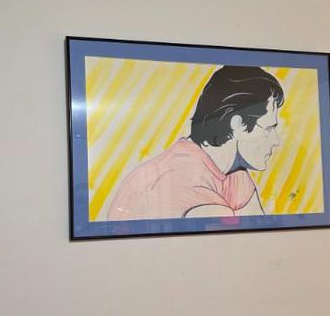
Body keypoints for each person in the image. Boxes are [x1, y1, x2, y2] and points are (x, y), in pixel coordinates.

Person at [107, 66, 284, 221]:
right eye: (269, 128)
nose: (276, 141)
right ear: (237, 124)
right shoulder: (181, 180)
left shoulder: (233, 174)